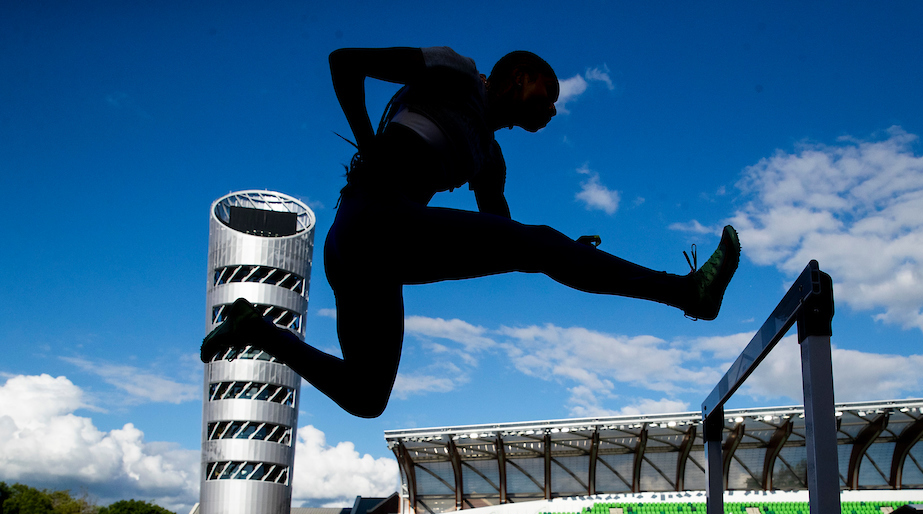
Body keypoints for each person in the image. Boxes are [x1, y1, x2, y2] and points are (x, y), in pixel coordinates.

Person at [201, 46, 740, 418]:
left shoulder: (490, 158)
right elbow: (344, 63)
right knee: (540, 244)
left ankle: (257, 330)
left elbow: (500, 239)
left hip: (368, 255)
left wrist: (564, 254)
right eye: (547, 94)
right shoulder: (457, 72)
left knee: (367, 396)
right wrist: (368, 143)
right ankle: (686, 292)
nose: (552, 110)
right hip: (371, 218)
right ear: (516, 78)